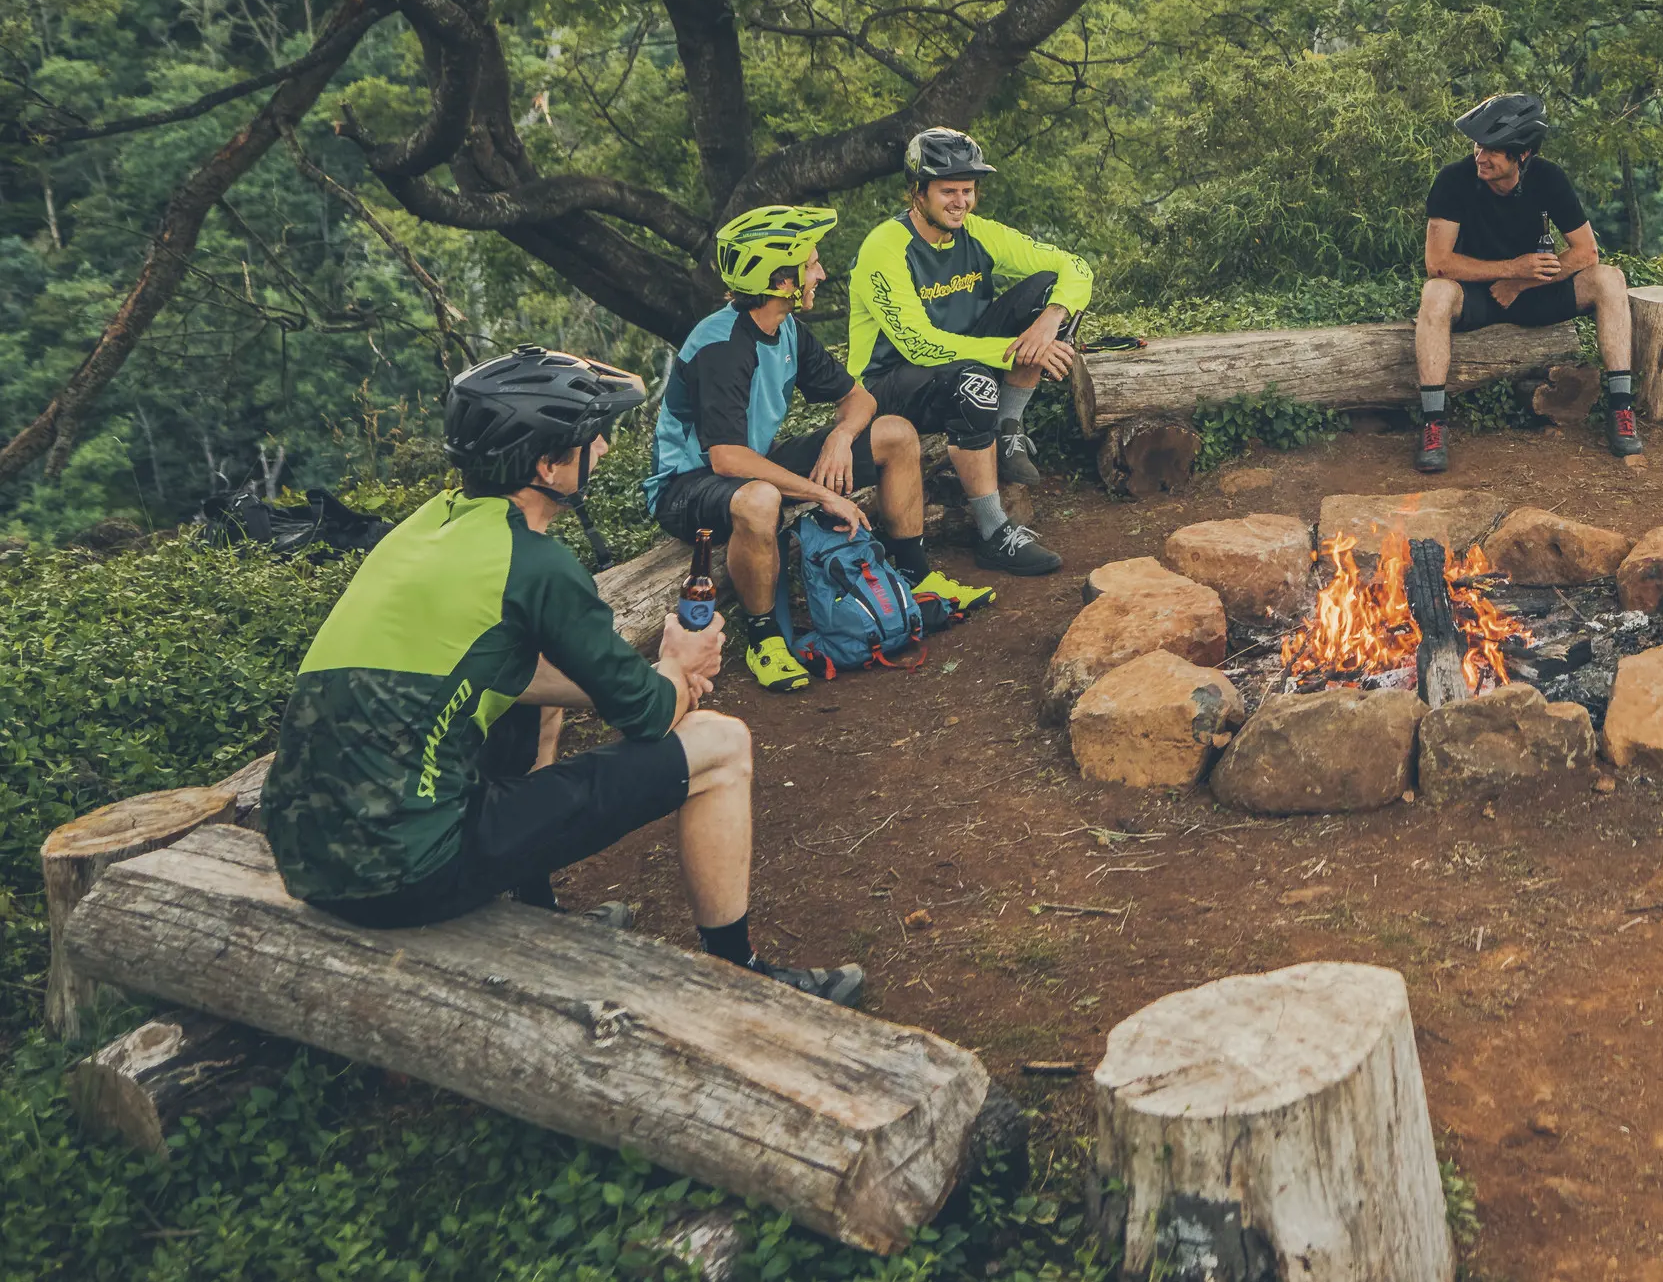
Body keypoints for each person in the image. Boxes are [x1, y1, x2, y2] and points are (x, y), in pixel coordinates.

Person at [260, 346, 861, 1002]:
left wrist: (655, 674)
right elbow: (652, 714)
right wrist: (678, 667)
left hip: (309, 856)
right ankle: (742, 976)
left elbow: (509, 672)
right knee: (721, 746)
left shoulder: (425, 527)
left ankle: (536, 909)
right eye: (591, 436)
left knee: (527, 689)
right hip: (405, 871)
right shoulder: (535, 562)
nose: (602, 448)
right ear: (549, 464)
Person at [645, 206, 988, 693]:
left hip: (749, 466)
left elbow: (859, 397)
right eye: (810, 265)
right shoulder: (720, 345)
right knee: (761, 497)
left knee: (895, 433)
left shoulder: (785, 328)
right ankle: (764, 638)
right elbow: (727, 459)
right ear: (779, 278)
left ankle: (914, 578)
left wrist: (840, 437)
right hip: (687, 487)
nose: (821, 273)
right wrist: (824, 494)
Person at [846, 126, 1091, 577]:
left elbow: (1073, 265)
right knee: (972, 380)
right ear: (917, 193)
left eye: (968, 190)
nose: (961, 202)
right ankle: (993, 531)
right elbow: (919, 344)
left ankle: (1008, 426)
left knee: (1042, 290)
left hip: (967, 358)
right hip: (891, 384)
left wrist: (1049, 320)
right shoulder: (885, 247)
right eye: (947, 191)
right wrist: (1017, 352)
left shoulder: (975, 233)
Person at [1415, 91, 1636, 473]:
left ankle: (1622, 408)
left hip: (1535, 292)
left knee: (1609, 279)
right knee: (1435, 293)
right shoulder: (1454, 180)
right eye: (1478, 146)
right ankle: (1434, 423)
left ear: (1522, 156)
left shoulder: (1548, 178)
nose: (1480, 157)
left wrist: (1521, 282)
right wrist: (1511, 269)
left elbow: (1586, 253)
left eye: (1493, 151)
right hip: (1478, 295)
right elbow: (1438, 263)